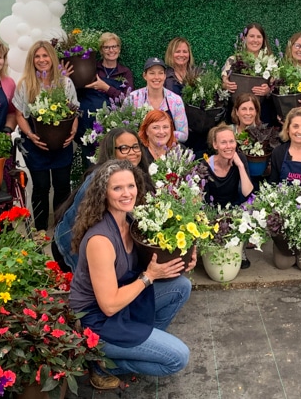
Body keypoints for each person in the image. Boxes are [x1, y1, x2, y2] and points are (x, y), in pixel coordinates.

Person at [69, 160, 194, 388]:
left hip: (125, 302)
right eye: (117, 188)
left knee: (181, 286)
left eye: (131, 186)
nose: (127, 193)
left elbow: (154, 261)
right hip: (99, 321)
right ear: (103, 193)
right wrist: (148, 277)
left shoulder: (130, 221)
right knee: (178, 358)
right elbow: (108, 305)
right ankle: (105, 361)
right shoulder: (101, 240)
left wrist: (184, 259)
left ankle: (140, 343)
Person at [52, 128, 151, 272]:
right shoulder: (100, 178)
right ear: (111, 151)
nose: (132, 152)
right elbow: (93, 227)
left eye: (135, 146)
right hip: (70, 247)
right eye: (124, 148)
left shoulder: (133, 174)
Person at [13, 41, 79, 231]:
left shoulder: (64, 83)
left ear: (52, 57)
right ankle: (40, 229)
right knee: (41, 186)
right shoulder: (26, 84)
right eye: (37, 56)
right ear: (32, 60)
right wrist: (31, 135)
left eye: (45, 55)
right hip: (36, 145)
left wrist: (73, 131)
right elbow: (19, 114)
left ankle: (61, 227)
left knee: (62, 186)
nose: (42, 60)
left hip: (62, 144)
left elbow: (73, 111)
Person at [77, 32, 135, 162]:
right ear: (101, 50)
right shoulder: (91, 68)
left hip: (112, 127)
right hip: (88, 127)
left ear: (119, 49)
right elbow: (79, 88)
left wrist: (106, 88)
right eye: (106, 47)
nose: (111, 50)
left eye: (114, 46)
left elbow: (128, 100)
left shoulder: (125, 73)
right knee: (90, 165)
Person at [204, 123, 254, 268]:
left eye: (231, 141)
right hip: (213, 210)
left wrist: (240, 166)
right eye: (223, 142)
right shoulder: (205, 165)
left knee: (252, 204)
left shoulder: (240, 159)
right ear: (215, 145)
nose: (228, 146)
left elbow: (247, 192)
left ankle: (240, 247)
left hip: (234, 207)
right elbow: (203, 200)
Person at [127, 57, 188, 143]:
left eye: (160, 73)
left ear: (165, 76)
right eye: (152, 73)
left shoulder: (175, 100)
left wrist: (162, 135)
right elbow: (124, 129)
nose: (156, 77)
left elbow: (184, 134)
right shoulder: (133, 98)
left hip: (168, 149)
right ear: (145, 76)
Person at [268, 108, 301, 188]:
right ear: (287, 129)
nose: (300, 131)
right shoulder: (278, 153)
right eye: (295, 126)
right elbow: (273, 185)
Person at [221, 23, 272, 97]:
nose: (255, 40)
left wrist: (268, 90)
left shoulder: (270, 62)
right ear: (244, 38)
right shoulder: (233, 59)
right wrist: (225, 85)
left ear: (263, 40)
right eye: (251, 36)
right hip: (237, 105)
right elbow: (224, 80)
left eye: (259, 37)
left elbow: (275, 87)